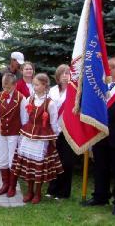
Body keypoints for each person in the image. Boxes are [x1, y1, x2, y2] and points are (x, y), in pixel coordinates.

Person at [11, 73, 63, 204]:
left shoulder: (50, 103)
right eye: (33, 84)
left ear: (45, 85)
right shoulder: (30, 99)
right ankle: (29, 191)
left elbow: (54, 123)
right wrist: (24, 131)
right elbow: (25, 117)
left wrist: (54, 138)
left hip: (42, 136)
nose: (34, 87)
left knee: (38, 165)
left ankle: (38, 192)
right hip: (29, 134)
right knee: (29, 163)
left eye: (37, 85)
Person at [84, 56, 115, 216]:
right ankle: (100, 196)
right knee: (100, 168)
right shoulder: (102, 87)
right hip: (100, 134)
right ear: (110, 69)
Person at [46, 64, 77, 199]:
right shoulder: (51, 91)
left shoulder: (75, 92)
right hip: (53, 131)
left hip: (68, 131)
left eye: (67, 73)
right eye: (62, 73)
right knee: (54, 161)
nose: (65, 76)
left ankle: (64, 192)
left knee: (66, 162)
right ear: (57, 76)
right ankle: (52, 189)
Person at [0, 51, 24, 169]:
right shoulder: (1, 73)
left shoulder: (20, 75)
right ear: (12, 60)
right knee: (0, 133)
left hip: (14, 107)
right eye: (17, 62)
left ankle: (10, 163)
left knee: (11, 137)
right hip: (1, 107)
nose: (19, 65)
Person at [0, 73, 26, 197]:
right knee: (2, 158)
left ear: (14, 85)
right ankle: (5, 184)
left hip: (14, 133)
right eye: (4, 87)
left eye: (8, 87)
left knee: (12, 159)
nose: (5, 90)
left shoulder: (21, 98)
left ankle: (12, 186)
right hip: (2, 132)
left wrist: (21, 135)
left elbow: (24, 118)